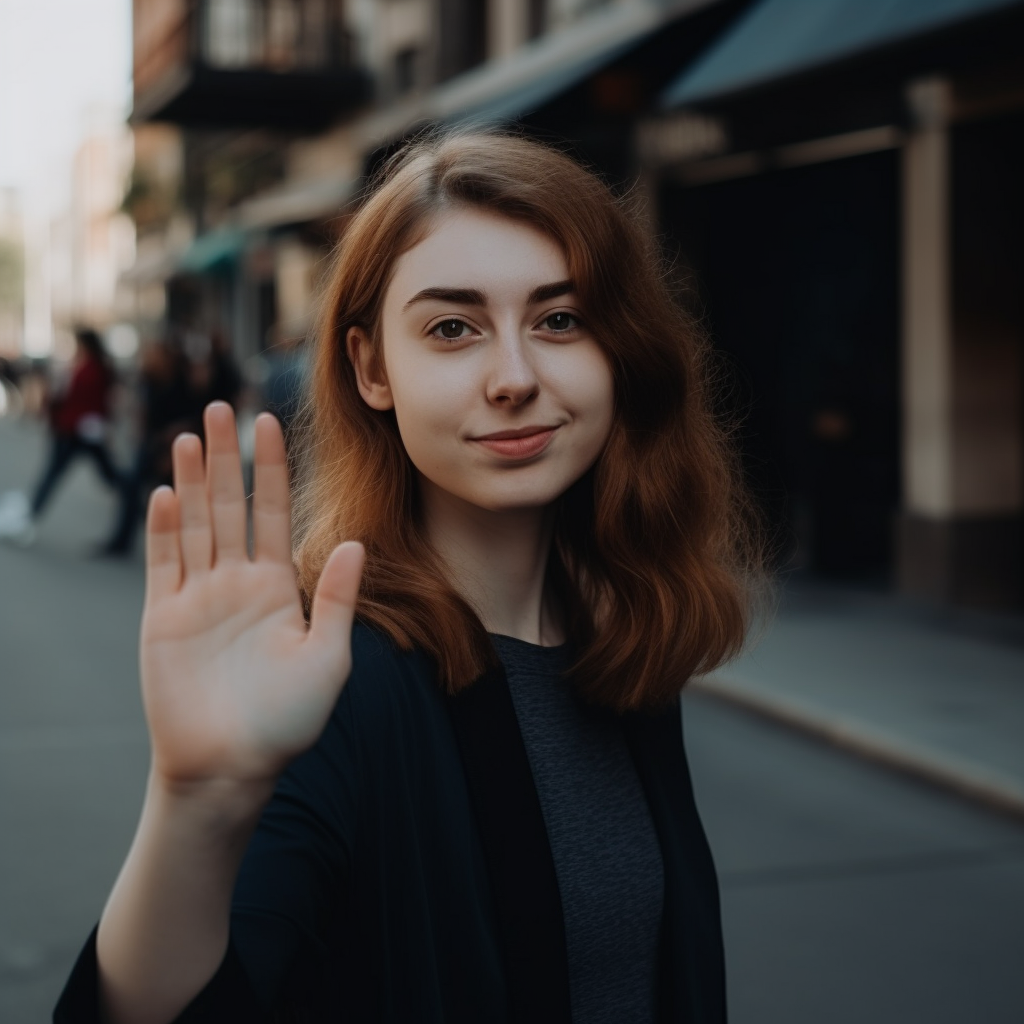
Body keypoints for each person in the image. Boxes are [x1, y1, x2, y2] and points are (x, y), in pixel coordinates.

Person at [55, 130, 761, 1024]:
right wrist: (194, 804)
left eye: (559, 319)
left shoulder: (618, 642)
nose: (514, 376)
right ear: (371, 367)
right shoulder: (331, 680)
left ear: (619, 350)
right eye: (452, 329)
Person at [1, 328, 121, 547]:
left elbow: (84, 399)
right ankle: (29, 515)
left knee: (57, 475)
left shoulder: (90, 369)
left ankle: (137, 507)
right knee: (60, 475)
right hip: (77, 431)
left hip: (77, 431)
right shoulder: (89, 367)